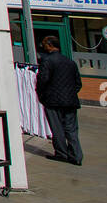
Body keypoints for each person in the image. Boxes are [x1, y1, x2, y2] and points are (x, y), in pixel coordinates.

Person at [35, 35, 83, 165]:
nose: (43, 46)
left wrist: (42, 95)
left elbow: (42, 80)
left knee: (57, 129)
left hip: (53, 101)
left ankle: (62, 153)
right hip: (71, 101)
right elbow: (78, 83)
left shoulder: (47, 61)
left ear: (50, 45)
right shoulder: (70, 62)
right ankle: (76, 156)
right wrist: (70, 93)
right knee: (71, 129)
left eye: (45, 44)